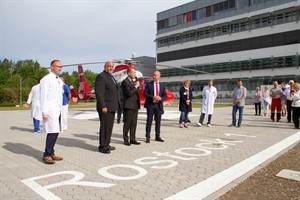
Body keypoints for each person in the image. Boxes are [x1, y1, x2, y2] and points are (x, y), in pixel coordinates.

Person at [40, 60, 64, 164]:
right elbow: (43, 97)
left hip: (57, 110)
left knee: (56, 131)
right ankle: (47, 154)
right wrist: (44, 112)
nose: (60, 68)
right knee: (52, 132)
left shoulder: (58, 80)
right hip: (50, 110)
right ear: (51, 67)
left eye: (61, 66)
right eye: (57, 66)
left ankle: (51, 152)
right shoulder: (46, 79)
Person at [95, 61, 120, 154]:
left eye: (112, 66)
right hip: (105, 107)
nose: (111, 68)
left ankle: (107, 144)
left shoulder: (111, 76)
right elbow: (99, 93)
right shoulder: (101, 77)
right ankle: (102, 146)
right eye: (109, 66)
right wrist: (103, 106)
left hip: (112, 107)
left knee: (109, 127)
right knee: (105, 127)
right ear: (105, 66)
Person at [144, 70, 166, 143]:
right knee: (149, 121)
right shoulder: (149, 84)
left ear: (159, 76)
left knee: (158, 122)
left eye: (155, 75)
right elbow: (145, 94)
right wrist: (153, 97)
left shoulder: (162, 85)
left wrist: (161, 98)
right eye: (153, 75)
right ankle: (147, 136)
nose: (154, 76)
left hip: (159, 105)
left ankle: (157, 136)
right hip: (150, 105)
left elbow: (164, 96)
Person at [122, 68, 141, 145]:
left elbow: (136, 92)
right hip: (128, 106)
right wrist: (136, 87)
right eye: (133, 73)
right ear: (129, 73)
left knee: (134, 123)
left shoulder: (134, 82)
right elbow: (129, 93)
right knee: (127, 123)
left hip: (135, 105)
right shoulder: (125, 82)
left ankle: (132, 139)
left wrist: (137, 86)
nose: (135, 74)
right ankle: (126, 139)